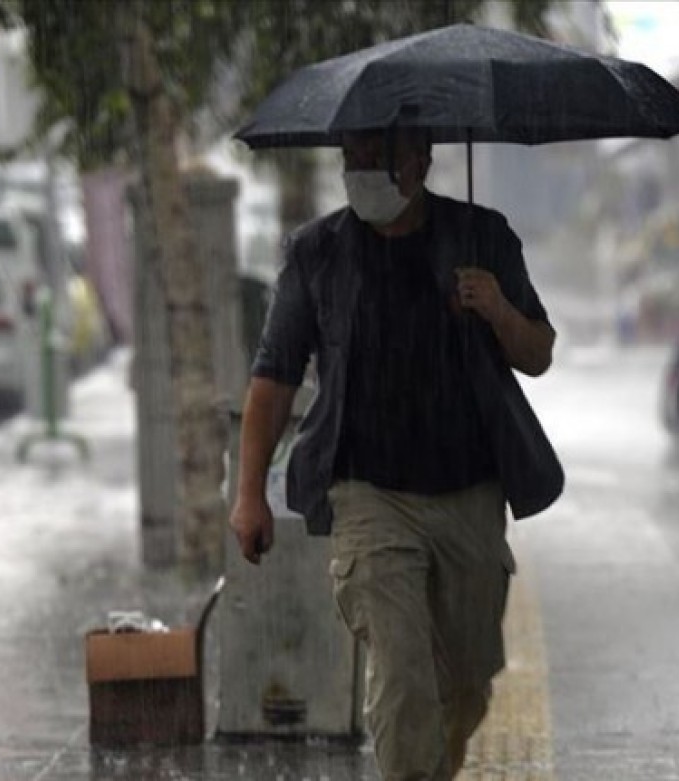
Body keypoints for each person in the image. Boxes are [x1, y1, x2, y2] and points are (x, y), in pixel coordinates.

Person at [227, 127, 563, 780]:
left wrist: (497, 308)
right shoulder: (317, 252)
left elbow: (538, 353)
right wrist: (248, 496)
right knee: (404, 672)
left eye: (375, 158)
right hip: (368, 494)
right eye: (350, 158)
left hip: (468, 492)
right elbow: (273, 376)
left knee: (465, 682)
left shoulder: (482, 237)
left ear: (420, 161)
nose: (360, 172)